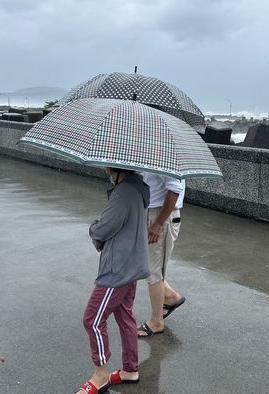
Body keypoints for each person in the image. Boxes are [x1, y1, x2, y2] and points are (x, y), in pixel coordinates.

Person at [77, 168, 150, 394]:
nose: (104, 169)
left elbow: (105, 227)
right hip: (132, 265)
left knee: (92, 319)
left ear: (114, 167)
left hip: (117, 269)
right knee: (125, 315)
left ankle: (100, 375)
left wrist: (93, 228)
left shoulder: (123, 193)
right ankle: (130, 369)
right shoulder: (138, 188)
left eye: (106, 166)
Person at [137, 173, 186, 337]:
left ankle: (156, 322)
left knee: (154, 272)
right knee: (148, 266)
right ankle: (171, 296)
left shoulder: (167, 159)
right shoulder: (157, 155)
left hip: (162, 216)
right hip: (153, 212)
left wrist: (158, 223)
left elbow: (175, 189)